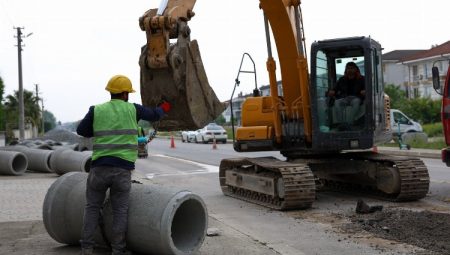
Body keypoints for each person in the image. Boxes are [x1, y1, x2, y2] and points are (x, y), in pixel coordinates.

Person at [76, 74, 171, 255]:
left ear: (111, 92)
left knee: (92, 208)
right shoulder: (133, 110)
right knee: (120, 211)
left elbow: (81, 130)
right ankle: (117, 250)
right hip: (122, 170)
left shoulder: (96, 110)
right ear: (126, 94)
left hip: (99, 169)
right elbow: (154, 114)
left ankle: (86, 248)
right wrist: (165, 106)